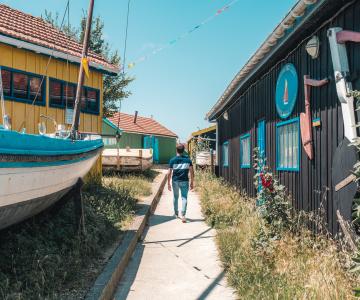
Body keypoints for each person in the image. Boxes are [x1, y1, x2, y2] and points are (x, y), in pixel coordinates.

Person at [168, 144, 194, 223]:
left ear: (176, 150)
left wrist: (168, 183)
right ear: (184, 150)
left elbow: (169, 173)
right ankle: (183, 215)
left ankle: (176, 214)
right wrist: (192, 182)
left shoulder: (172, 160)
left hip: (175, 181)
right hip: (185, 181)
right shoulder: (188, 160)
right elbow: (192, 172)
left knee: (175, 197)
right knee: (184, 197)